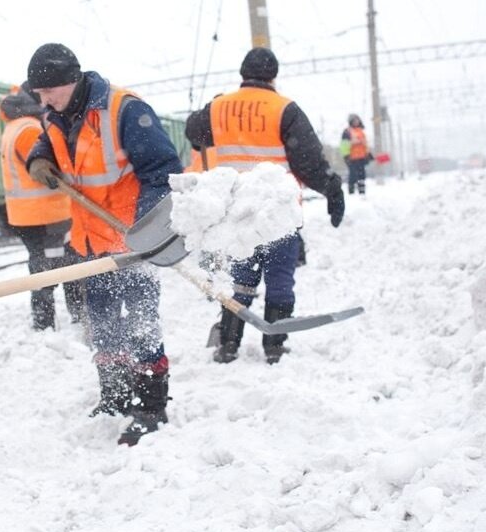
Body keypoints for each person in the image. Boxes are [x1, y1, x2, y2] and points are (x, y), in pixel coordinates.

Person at [23, 43, 182, 446]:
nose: (43, 101)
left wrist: (147, 232)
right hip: (92, 243)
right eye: (39, 95)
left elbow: (163, 172)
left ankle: (151, 405)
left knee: (142, 324)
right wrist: (39, 160)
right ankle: (115, 394)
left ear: (71, 82)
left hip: (132, 242)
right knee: (105, 324)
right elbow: (51, 144)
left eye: (48, 92)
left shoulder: (125, 110)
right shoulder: (55, 115)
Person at [185, 47, 345, 365]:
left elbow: (193, 133)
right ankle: (274, 344)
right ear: (273, 76)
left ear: (242, 74)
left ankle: (228, 344)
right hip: (277, 215)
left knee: (241, 279)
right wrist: (332, 190)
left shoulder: (219, 107)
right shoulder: (285, 109)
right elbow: (309, 161)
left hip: (239, 213)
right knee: (280, 278)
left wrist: (214, 114)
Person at [0, 82, 84, 330]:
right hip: (46, 215)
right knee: (55, 267)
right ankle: (48, 322)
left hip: (29, 215)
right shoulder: (28, 130)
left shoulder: (14, 127)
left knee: (50, 265)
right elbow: (48, 171)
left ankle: (50, 321)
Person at [341, 113, 371, 195]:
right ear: (351, 121)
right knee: (353, 175)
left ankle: (362, 192)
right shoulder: (347, 132)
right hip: (352, 157)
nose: (356, 122)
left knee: (362, 175)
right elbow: (344, 145)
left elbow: (365, 144)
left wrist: (368, 154)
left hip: (362, 157)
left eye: (357, 120)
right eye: (354, 120)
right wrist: (346, 156)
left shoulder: (361, 131)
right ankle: (351, 192)